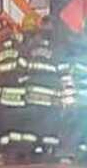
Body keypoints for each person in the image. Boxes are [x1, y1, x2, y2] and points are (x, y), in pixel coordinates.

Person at [22, 14, 63, 159]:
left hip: (32, 93)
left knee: (34, 123)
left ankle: (33, 150)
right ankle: (48, 150)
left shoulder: (32, 46)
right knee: (50, 124)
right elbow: (62, 69)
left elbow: (24, 66)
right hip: (49, 94)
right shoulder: (56, 46)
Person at [0, 18, 30, 161]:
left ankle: (6, 152)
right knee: (19, 124)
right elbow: (25, 64)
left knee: (5, 125)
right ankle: (19, 152)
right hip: (18, 91)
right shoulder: (20, 46)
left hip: (4, 92)